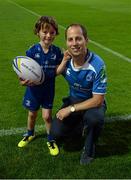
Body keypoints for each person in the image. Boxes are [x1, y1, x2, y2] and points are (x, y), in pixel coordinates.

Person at [51, 23, 107, 164]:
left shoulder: (98, 64)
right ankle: (79, 125)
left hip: (92, 104)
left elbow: (98, 100)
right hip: (74, 100)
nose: (74, 43)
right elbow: (48, 74)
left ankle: (89, 149)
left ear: (86, 40)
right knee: (55, 132)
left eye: (78, 38)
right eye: (70, 39)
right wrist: (30, 79)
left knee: (95, 119)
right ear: (66, 43)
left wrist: (70, 109)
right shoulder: (66, 61)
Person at [17, 16, 63, 156]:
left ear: (55, 34)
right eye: (45, 32)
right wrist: (22, 80)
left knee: (47, 116)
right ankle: (30, 133)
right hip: (33, 90)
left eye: (52, 32)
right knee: (32, 114)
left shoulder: (57, 52)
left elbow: (60, 69)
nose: (48, 35)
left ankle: (50, 139)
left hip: (48, 90)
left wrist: (66, 59)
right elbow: (23, 70)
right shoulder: (32, 50)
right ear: (38, 32)